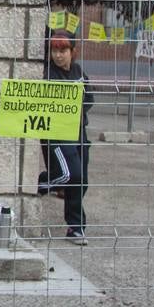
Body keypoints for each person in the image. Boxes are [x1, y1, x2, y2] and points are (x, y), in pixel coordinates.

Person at [38, 31, 92, 245]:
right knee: (70, 174)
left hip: (79, 132)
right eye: (54, 50)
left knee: (81, 181)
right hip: (57, 133)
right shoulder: (48, 74)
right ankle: (42, 183)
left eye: (63, 50)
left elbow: (88, 98)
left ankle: (75, 229)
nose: (58, 55)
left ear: (73, 52)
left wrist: (76, 110)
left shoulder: (78, 72)